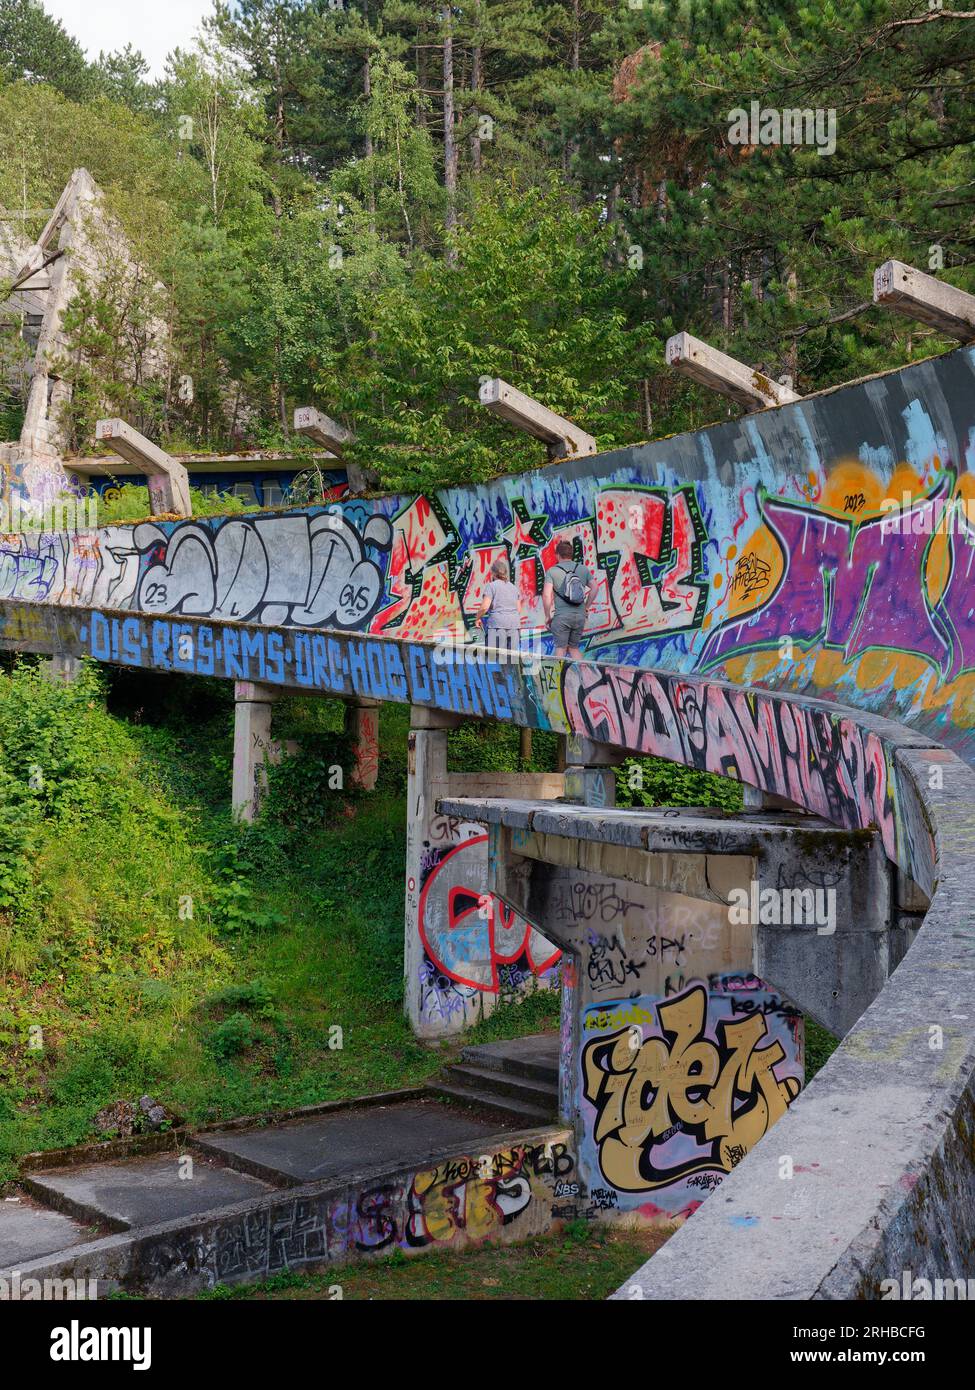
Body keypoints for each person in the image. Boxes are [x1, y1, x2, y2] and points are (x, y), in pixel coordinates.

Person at [544, 539, 591, 658]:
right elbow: (595, 588)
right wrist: (586, 607)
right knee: (574, 648)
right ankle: (582, 676)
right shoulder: (583, 569)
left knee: (561, 649)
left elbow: (546, 595)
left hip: (562, 617)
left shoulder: (552, 571)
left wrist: (547, 616)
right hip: (580, 616)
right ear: (571, 554)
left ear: (557, 555)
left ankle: (559, 677)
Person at [477, 556, 522, 660]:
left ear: (493, 573)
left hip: (497, 626)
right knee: (511, 661)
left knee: (493, 660)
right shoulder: (514, 588)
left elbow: (484, 607)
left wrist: (477, 618)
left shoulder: (492, 586)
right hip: (514, 627)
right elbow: (518, 610)